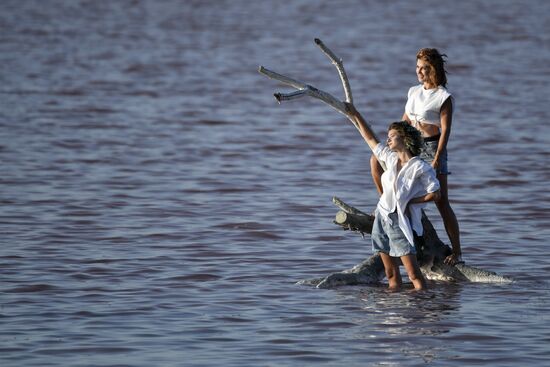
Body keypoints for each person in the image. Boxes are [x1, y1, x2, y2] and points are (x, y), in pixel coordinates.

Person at [370, 48, 463, 266]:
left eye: (425, 68)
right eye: (418, 67)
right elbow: (404, 123)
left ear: (435, 69)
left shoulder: (444, 97)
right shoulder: (413, 92)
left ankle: (457, 251)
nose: (420, 72)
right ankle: (388, 207)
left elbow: (446, 130)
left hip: (432, 148)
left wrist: (438, 157)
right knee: (375, 161)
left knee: (441, 201)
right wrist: (390, 141)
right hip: (411, 146)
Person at [346, 105, 440, 291]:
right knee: (391, 274)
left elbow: (435, 194)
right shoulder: (390, 159)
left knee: (413, 274)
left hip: (399, 220)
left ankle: (424, 309)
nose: (388, 139)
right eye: (388, 136)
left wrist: (412, 201)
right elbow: (370, 139)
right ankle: (393, 311)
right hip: (381, 218)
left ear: (404, 138)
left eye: (392, 135)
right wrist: (355, 113)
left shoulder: (420, 167)